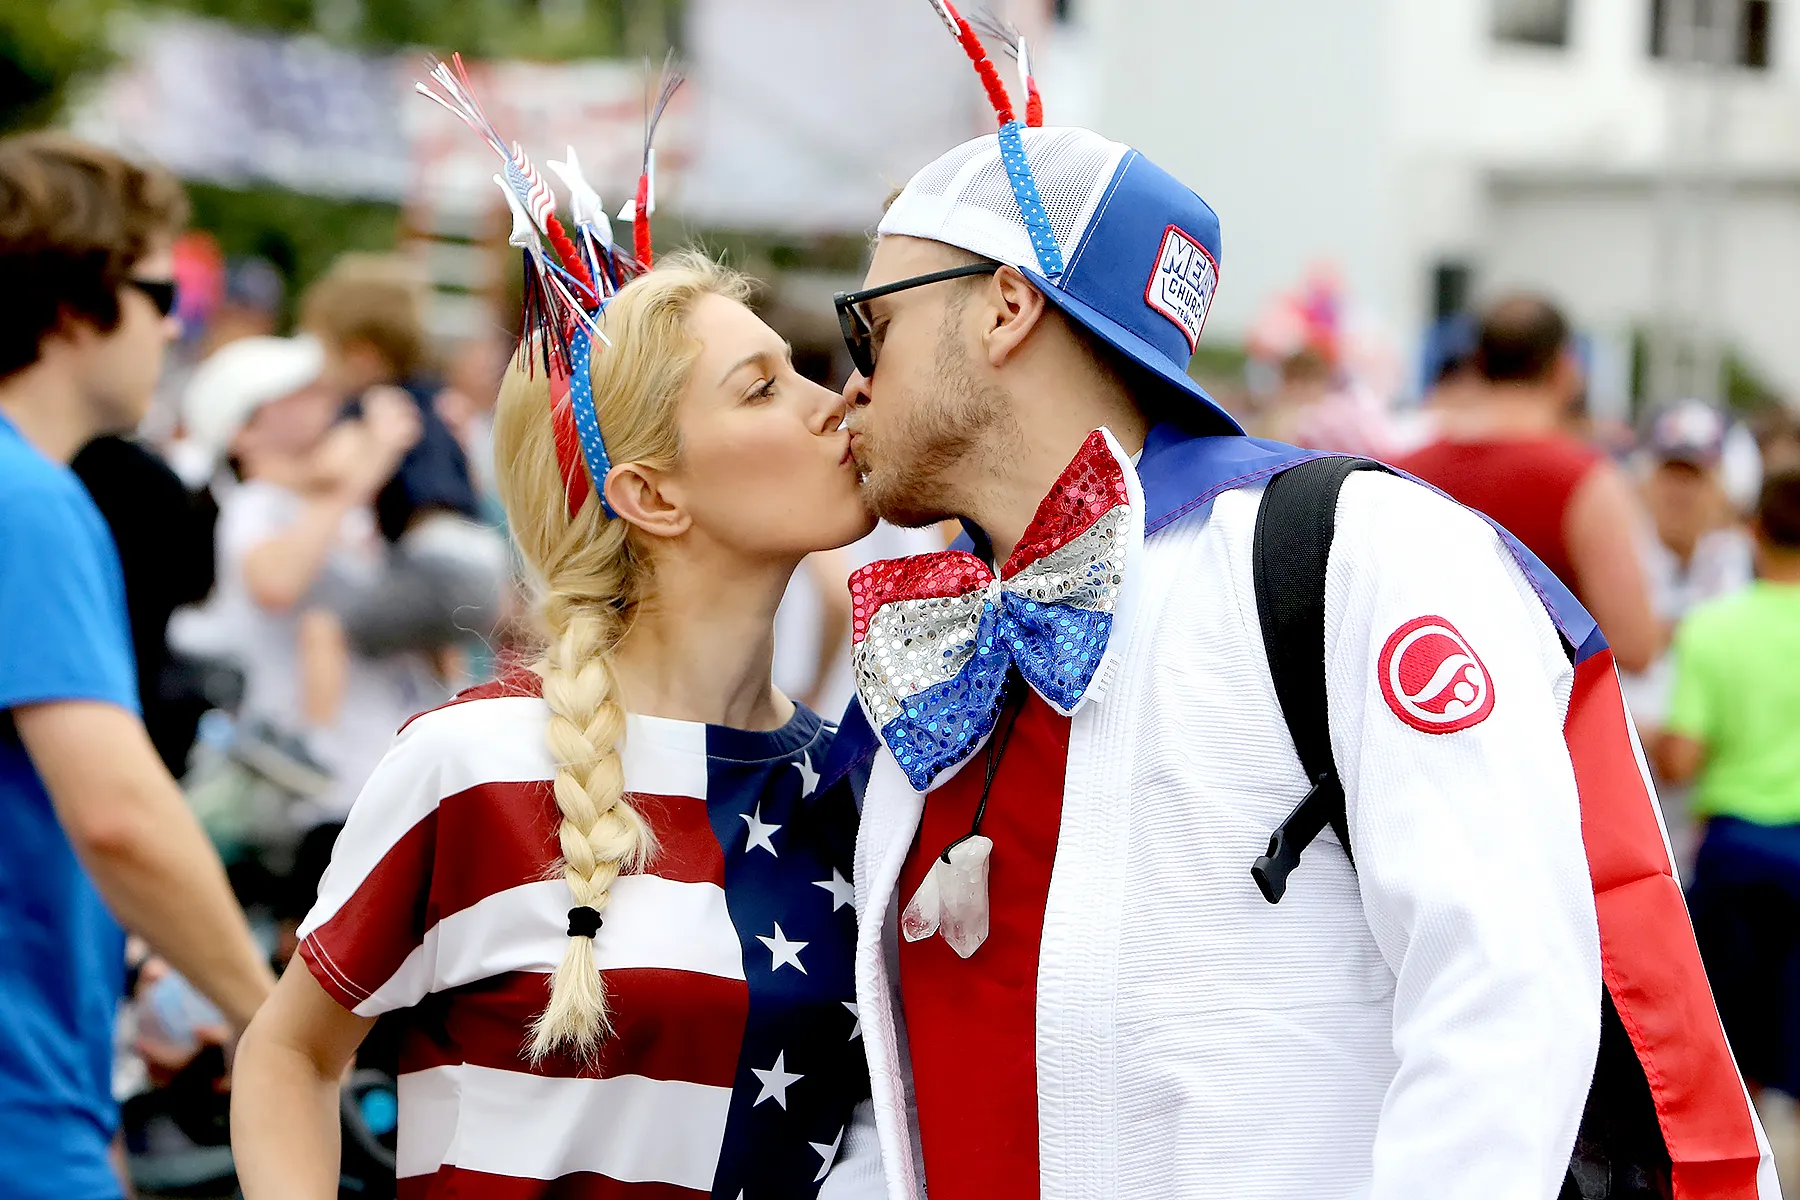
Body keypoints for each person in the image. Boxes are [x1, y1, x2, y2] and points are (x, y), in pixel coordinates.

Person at [820, 11, 1772, 1197]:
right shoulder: (931, 649)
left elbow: (1503, 1006)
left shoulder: (1347, 554)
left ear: (1005, 307)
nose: (849, 380)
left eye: (872, 325)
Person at [231, 76, 881, 1199]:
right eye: (763, 388)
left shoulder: (862, 784)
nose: (835, 402)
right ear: (652, 496)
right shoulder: (470, 765)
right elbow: (289, 1053)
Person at [0, 132, 274, 1200]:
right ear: (74, 305)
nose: (171, 326)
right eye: (157, 294)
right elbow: (119, 813)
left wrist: (139, 963)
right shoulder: (31, 502)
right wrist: (274, 1023)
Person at [1394, 295, 1664, 673]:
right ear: (1566, 370)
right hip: (1540, 702)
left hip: (1422, 689)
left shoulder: (1400, 471)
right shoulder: (1585, 482)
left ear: (1477, 364)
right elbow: (1634, 643)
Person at [1656, 470, 1800, 1101]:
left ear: (1754, 532)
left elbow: (1681, 763)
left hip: (1735, 854)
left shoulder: (1712, 627)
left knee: (1734, 1052)